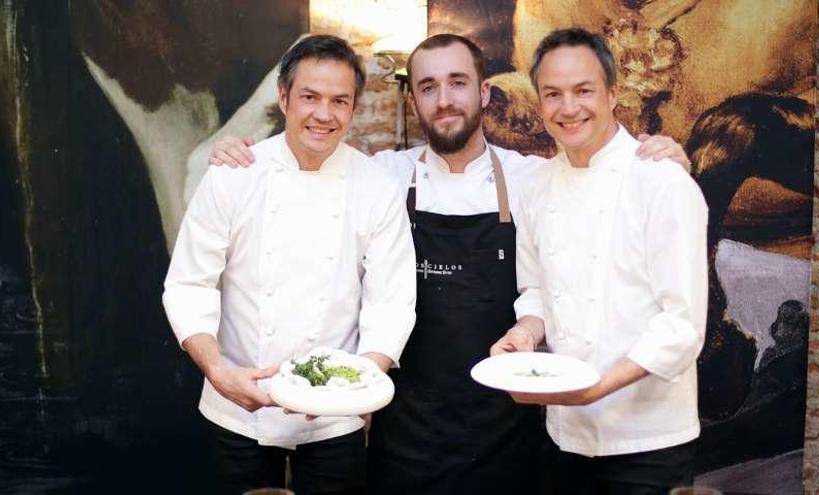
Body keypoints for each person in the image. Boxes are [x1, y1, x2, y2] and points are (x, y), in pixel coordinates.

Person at [209, 34, 689, 495]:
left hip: (507, 431)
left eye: (458, 83)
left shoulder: (534, 179)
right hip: (407, 436)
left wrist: (662, 162)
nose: (444, 100)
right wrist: (237, 154)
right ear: (413, 100)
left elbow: (592, 193)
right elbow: (310, 175)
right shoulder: (382, 178)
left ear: (484, 93)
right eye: (428, 87)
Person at [162, 35, 416, 495]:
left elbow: (392, 302)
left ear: (354, 108)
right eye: (309, 97)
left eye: (339, 101)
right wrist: (218, 371)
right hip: (236, 404)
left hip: (334, 415)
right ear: (283, 98)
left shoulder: (376, 187)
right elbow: (189, 285)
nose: (324, 114)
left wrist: (356, 385)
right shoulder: (234, 174)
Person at [490, 28, 708, 495]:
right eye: (553, 94)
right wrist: (524, 333)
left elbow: (682, 325)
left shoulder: (663, 182)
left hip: (649, 441)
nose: (568, 108)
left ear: (612, 94)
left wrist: (597, 388)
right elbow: (536, 291)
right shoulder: (537, 188)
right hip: (564, 435)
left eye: (583, 90)